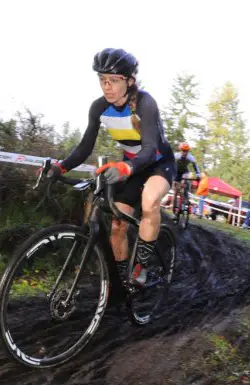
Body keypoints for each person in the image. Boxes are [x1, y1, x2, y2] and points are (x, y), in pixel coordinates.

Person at [56, 48, 175, 285]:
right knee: (118, 222)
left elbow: (150, 149)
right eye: (102, 80)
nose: (106, 86)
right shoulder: (99, 107)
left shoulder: (145, 103)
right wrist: (60, 167)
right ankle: (121, 280)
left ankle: (140, 267)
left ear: (129, 81)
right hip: (131, 165)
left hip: (158, 164)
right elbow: (84, 147)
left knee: (149, 201)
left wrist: (124, 168)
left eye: (113, 81)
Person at [172, 143, 201, 213]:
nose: (185, 152)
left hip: (185, 172)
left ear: (188, 151)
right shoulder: (176, 156)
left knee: (186, 182)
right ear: (180, 150)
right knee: (175, 192)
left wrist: (198, 174)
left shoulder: (190, 157)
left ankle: (186, 198)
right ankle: (174, 208)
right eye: (183, 150)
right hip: (176, 172)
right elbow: (169, 163)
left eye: (186, 151)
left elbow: (195, 166)